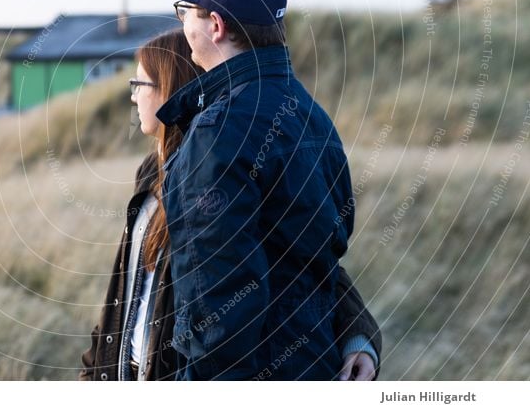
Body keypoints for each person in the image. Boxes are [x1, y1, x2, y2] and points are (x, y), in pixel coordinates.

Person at [79, 29, 381, 381]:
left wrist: (358, 333)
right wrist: (93, 371)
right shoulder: (149, 172)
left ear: (169, 87)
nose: (133, 97)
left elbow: (303, 264)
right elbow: (128, 286)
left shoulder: (216, 169)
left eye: (140, 84)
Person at [151, 0, 373, 380]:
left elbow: (219, 317)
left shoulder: (219, 132)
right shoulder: (312, 117)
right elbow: (319, 265)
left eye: (185, 12)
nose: (183, 28)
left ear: (215, 26)